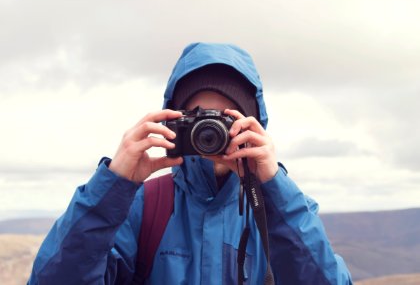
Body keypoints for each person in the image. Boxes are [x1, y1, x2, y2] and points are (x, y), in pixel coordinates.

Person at [28, 43, 353, 284]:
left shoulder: (278, 214)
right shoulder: (142, 206)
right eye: (196, 117)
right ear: (173, 121)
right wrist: (113, 184)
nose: (209, 130)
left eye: (225, 118)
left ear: (253, 124)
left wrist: (274, 187)